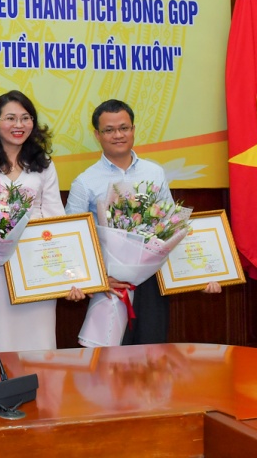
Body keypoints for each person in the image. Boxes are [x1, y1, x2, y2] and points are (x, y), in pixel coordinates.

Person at [64, 99, 220, 345]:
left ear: (133, 129)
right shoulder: (85, 182)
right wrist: (94, 280)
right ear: (97, 135)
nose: (118, 135)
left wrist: (200, 274)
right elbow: (72, 238)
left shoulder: (154, 172)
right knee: (110, 359)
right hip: (112, 285)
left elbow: (172, 228)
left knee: (151, 357)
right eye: (109, 130)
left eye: (124, 128)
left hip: (152, 283)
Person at [0, 90, 83, 352]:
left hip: (37, 268)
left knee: (39, 346)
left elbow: (56, 217)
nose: (19, 125)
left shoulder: (44, 165)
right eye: (10, 118)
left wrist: (71, 274)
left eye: (26, 118)